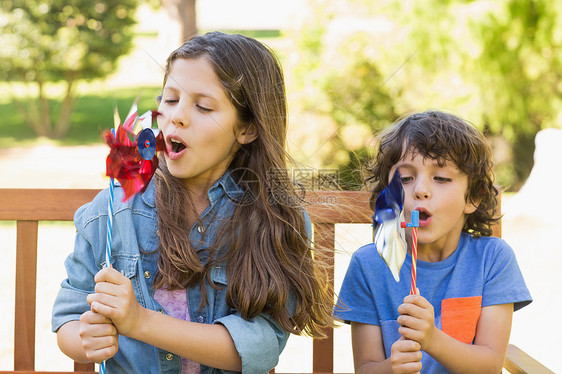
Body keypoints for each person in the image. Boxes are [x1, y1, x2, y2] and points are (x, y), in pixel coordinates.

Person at [52, 31, 334, 374]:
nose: (177, 116)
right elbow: (69, 315)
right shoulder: (111, 211)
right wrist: (85, 338)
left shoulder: (275, 219)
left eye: (203, 106)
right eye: (170, 100)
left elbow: (261, 347)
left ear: (247, 128)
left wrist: (140, 322)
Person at [334, 111, 532, 373]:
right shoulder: (369, 264)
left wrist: (432, 339)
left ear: (473, 197)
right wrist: (391, 367)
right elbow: (366, 369)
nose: (420, 190)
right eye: (405, 178)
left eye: (441, 178)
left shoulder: (492, 259)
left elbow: (490, 366)